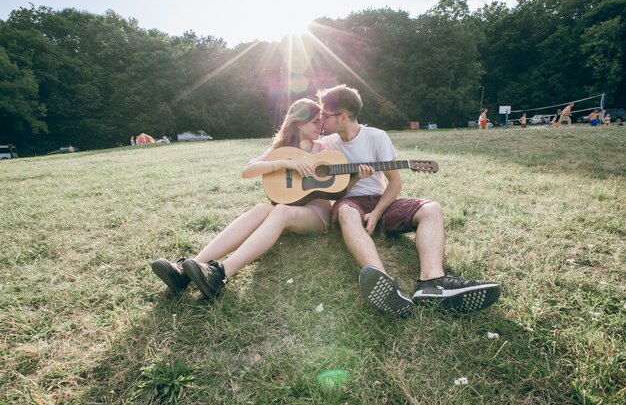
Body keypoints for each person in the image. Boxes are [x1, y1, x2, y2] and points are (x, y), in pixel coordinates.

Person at [317, 85, 501, 318]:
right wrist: (353, 180)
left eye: (325, 114)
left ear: (343, 117)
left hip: (380, 202)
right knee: (345, 212)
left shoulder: (376, 137)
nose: (321, 119)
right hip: (349, 203)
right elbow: (333, 194)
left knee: (431, 208)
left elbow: (395, 184)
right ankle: (382, 283)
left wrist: (376, 213)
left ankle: (431, 281)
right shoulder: (327, 145)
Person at [151, 99, 331, 298]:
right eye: (315, 121)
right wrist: (284, 164)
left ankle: (221, 273)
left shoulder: (322, 149)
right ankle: (183, 274)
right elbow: (247, 171)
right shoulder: (282, 149)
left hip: (317, 214)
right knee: (262, 208)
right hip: (288, 213)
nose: (320, 126)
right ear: (299, 122)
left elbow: (338, 173)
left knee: (279, 209)